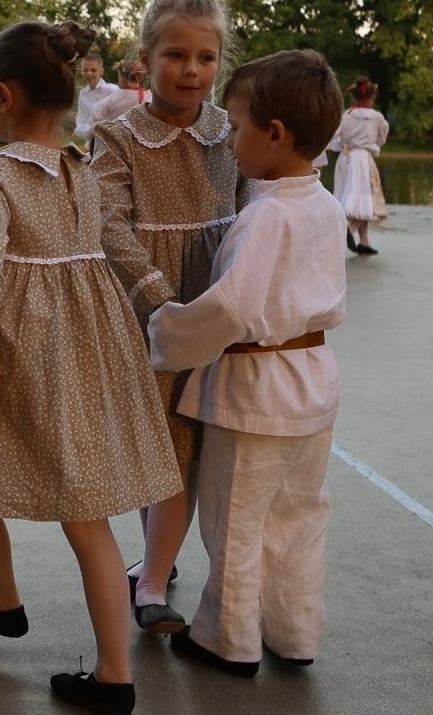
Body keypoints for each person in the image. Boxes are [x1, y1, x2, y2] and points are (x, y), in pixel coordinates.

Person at [0, 20, 181, 715]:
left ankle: (9, 602)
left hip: (23, 346)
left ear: (2, 97)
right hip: (89, 342)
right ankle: (111, 669)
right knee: (89, 518)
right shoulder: (83, 165)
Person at [146, 50, 347, 678]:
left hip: (255, 392)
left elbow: (229, 311)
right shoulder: (324, 206)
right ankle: (294, 632)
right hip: (312, 383)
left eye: (235, 128)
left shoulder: (265, 215)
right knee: (297, 517)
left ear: (275, 135)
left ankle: (226, 640)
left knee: (233, 520)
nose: (229, 141)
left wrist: (164, 330)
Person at [91, 0, 246, 635]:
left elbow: (261, 206)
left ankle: (154, 571)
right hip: (147, 314)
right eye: (176, 56)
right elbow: (107, 222)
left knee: (198, 445)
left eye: (205, 57)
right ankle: (154, 571)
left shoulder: (231, 130)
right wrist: (158, 298)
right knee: (158, 445)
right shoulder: (120, 135)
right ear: (144, 61)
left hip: (220, 306)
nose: (191, 70)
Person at [332, 76, 388, 255]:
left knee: (356, 199)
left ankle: (364, 242)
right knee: (364, 197)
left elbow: (336, 136)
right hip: (362, 159)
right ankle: (349, 230)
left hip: (345, 158)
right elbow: (381, 138)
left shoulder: (346, 115)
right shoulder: (376, 117)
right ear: (372, 97)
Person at [73, 51, 120, 141]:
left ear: (101, 71)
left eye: (93, 70)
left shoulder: (114, 91)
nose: (89, 73)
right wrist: (93, 131)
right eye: (85, 70)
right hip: (92, 144)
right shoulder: (83, 94)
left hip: (114, 142)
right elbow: (79, 125)